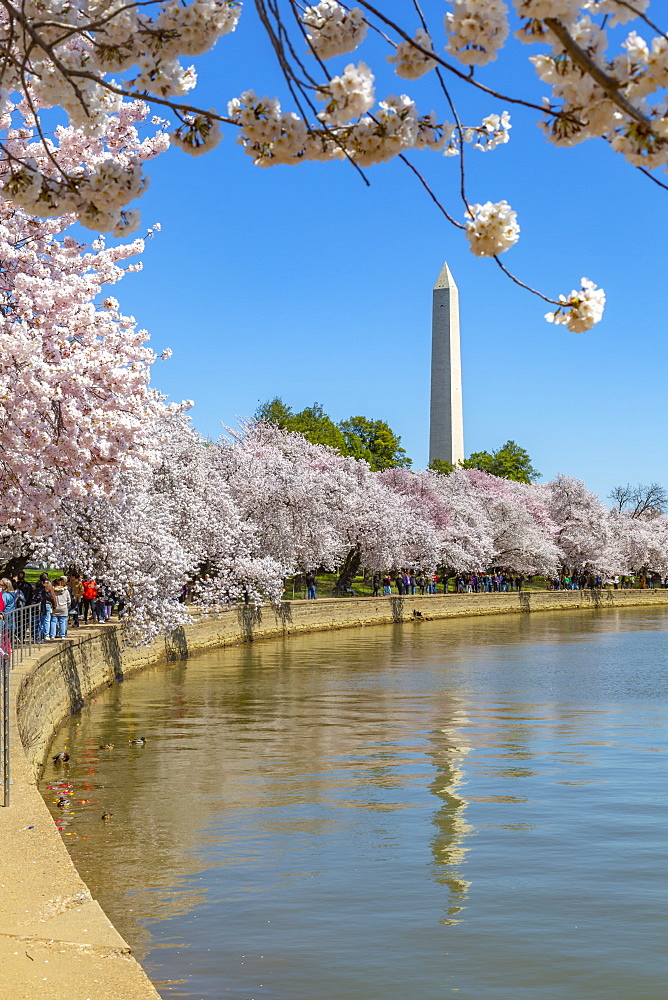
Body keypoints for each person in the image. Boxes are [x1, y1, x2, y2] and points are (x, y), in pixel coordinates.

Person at [34, 573, 57, 640]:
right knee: (47, 620)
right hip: (47, 604)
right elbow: (52, 596)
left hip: (38, 604)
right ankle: (46, 635)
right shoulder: (49, 586)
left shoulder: (37, 585)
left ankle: (37, 635)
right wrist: (54, 604)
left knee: (38, 620)